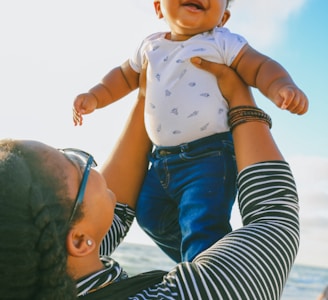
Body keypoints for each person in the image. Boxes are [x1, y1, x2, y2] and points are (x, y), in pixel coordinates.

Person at [0, 61, 300, 299]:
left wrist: (151, 93)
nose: (92, 163)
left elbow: (108, 212)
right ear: (79, 241)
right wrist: (238, 95)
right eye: (77, 165)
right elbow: (274, 217)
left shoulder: (40, 275)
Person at [72, 0, 307, 263]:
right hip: (161, 160)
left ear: (223, 18)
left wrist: (281, 86)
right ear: (159, 7)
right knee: (150, 215)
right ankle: (198, 263)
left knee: (202, 223)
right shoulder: (150, 46)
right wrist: (95, 96)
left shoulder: (221, 42)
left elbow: (261, 66)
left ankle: (205, 264)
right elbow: (123, 77)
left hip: (210, 157)